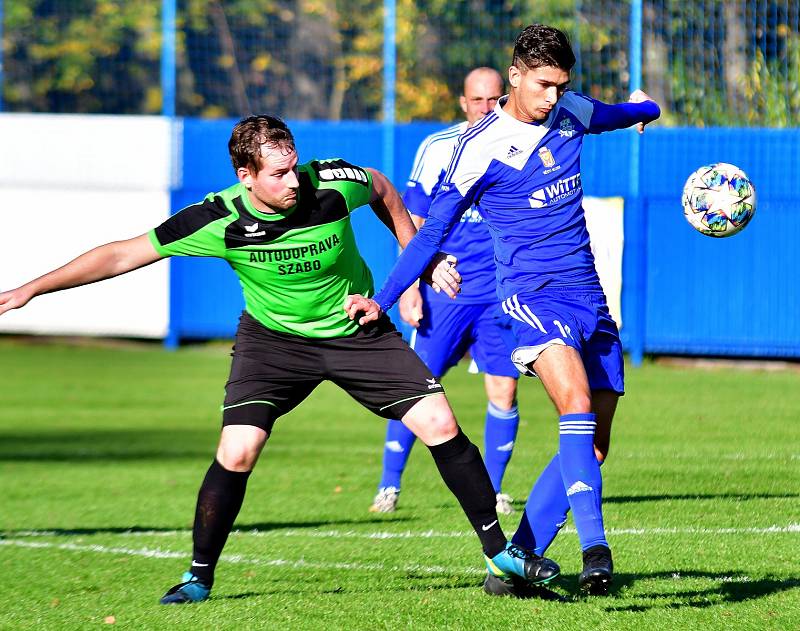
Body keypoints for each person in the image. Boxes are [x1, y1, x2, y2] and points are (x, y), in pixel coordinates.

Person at [0, 115, 560, 604]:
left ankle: (498, 553)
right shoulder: (216, 218)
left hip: (356, 328)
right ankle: (199, 577)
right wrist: (32, 290)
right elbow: (122, 253)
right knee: (238, 450)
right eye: (279, 174)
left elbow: (387, 192)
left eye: (294, 167)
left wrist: (419, 256)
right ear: (247, 176)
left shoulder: (334, 181)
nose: (294, 180)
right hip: (274, 344)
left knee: (440, 421)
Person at [347, 24, 661, 596]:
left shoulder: (571, 113)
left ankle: (515, 562)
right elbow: (426, 234)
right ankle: (596, 549)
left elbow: (618, 113)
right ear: (515, 76)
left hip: (588, 295)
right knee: (576, 401)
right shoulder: (480, 147)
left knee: (593, 442)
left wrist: (650, 107)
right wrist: (385, 300)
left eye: (561, 86)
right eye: (542, 85)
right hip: (530, 296)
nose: (550, 98)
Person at [369, 67, 522, 517]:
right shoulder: (437, 148)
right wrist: (413, 287)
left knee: (505, 391)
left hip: (498, 295)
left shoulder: (521, 144)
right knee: (414, 390)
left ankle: (491, 491)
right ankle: (389, 485)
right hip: (446, 291)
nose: (487, 108)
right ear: (462, 102)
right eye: (478, 100)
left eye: (495, 98)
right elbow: (412, 223)